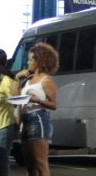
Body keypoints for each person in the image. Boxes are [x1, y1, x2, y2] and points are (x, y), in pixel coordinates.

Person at [14, 43, 58, 176]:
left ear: (40, 61)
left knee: (40, 162)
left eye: (31, 59)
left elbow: (54, 105)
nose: (28, 62)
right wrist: (17, 78)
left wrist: (37, 100)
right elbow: (16, 97)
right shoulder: (28, 79)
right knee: (29, 163)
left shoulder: (46, 80)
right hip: (25, 120)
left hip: (38, 119)